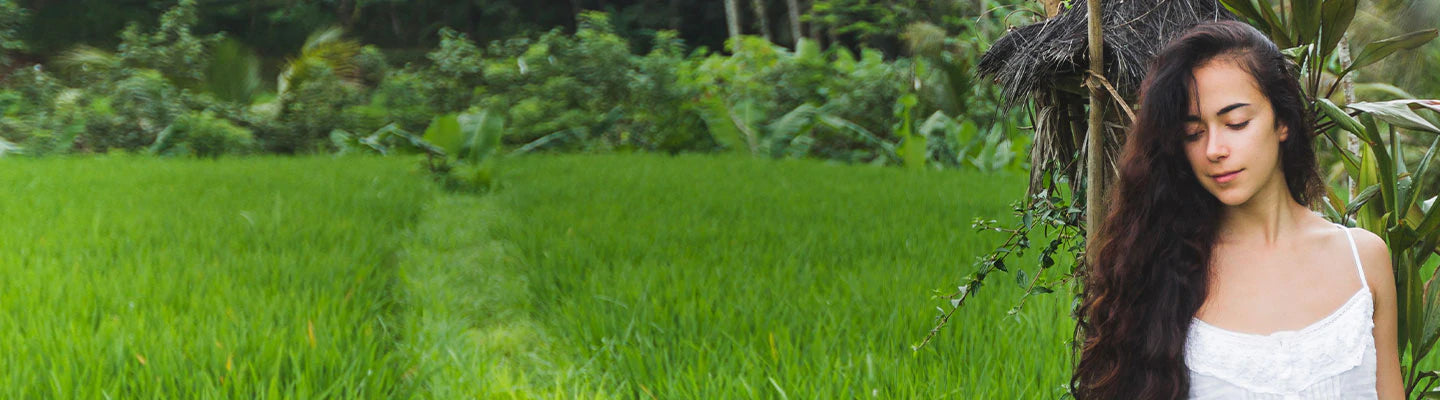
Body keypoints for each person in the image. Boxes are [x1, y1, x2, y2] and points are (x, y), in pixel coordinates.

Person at [1069, 20, 1403, 399]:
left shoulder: (1364, 260)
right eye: (1193, 133)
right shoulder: (1161, 267)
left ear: (1283, 121)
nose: (1214, 149)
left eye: (1235, 123)